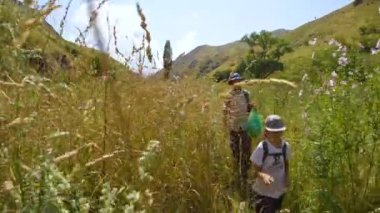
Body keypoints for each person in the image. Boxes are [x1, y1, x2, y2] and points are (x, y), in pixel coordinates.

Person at [249, 115, 291, 212]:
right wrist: (263, 176)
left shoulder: (285, 147)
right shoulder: (262, 148)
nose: (276, 134)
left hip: (279, 190)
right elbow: (256, 170)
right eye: (274, 132)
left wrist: (287, 177)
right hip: (264, 192)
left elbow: (286, 163)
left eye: (279, 131)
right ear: (267, 132)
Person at [223, 73, 254, 184]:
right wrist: (225, 125)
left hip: (245, 126)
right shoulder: (228, 96)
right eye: (234, 81)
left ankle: (245, 175)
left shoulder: (246, 94)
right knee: (235, 152)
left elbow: (249, 110)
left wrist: (251, 107)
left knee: (246, 151)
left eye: (238, 81)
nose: (237, 83)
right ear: (231, 83)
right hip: (233, 128)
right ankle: (236, 174)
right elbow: (225, 112)